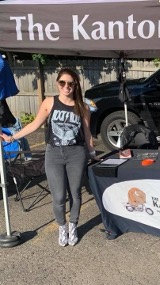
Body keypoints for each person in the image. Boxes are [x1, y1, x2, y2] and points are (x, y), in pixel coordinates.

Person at [0, 68, 98, 247]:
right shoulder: (49, 102)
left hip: (76, 153)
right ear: (57, 84)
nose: (66, 87)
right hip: (54, 154)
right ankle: (62, 227)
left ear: (76, 85)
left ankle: (73, 225)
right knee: (59, 196)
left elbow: (86, 132)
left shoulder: (83, 106)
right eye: (63, 83)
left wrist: (92, 153)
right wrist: (12, 137)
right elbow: (35, 125)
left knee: (75, 193)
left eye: (71, 83)